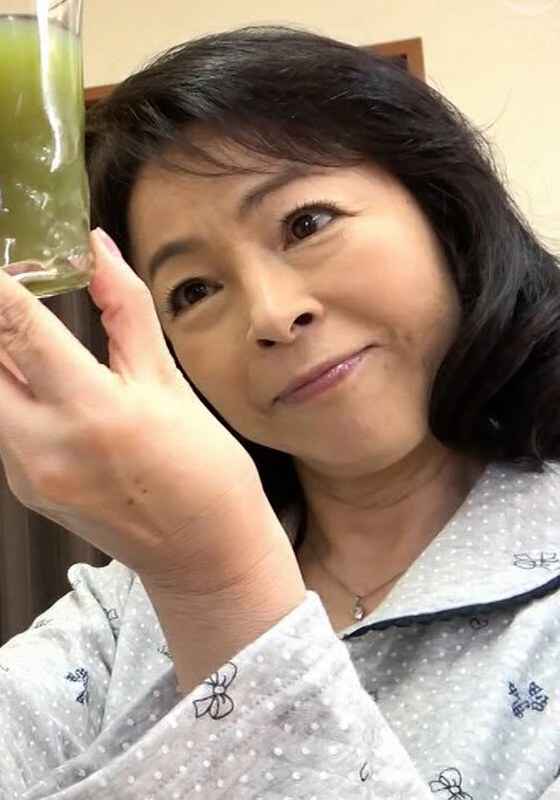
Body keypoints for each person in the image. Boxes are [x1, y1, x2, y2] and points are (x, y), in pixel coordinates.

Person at [1, 23, 560, 800]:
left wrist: (221, 591)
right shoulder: (124, 610)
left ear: (441, 209)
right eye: (194, 291)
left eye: (306, 224)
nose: (270, 314)